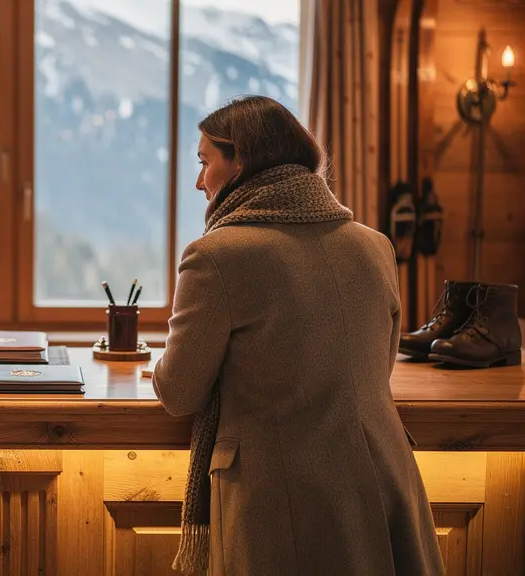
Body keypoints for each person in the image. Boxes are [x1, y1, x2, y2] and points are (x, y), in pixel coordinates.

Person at [152, 95, 444, 576]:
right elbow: (377, 368)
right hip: (386, 483)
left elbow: (180, 392)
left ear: (240, 160)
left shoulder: (217, 255)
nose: (199, 181)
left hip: (278, 501)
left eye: (206, 162)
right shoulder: (375, 247)